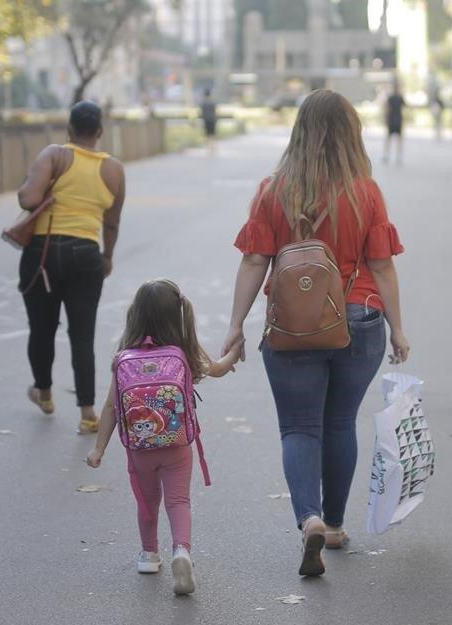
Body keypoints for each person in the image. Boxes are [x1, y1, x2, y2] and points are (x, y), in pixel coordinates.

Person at [221, 89, 410, 577]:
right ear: (351, 132)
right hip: (360, 316)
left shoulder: (273, 190)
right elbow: (383, 267)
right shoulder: (365, 191)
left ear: (298, 130)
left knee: (299, 427)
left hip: (292, 326)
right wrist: (398, 329)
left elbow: (253, 260)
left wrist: (236, 325)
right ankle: (336, 523)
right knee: (340, 421)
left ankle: (309, 518)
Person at [86, 279, 238, 595]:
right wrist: (235, 350)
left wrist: (99, 448)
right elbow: (220, 368)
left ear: (135, 316)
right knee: (178, 500)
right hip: (178, 444)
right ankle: (181, 550)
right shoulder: (183, 350)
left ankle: (148, 554)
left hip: (140, 451)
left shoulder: (123, 358)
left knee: (147, 501)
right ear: (178, 314)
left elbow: (112, 408)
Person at [17, 101, 126, 434]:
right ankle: (88, 412)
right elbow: (111, 221)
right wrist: (107, 256)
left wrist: (33, 183)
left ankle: (45, 393)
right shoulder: (113, 169)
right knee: (83, 335)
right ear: (99, 133)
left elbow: (27, 200)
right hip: (86, 254)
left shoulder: (54, 154)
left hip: (44, 253)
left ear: (69, 129)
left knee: (42, 326)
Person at [383, 84, 406, 165]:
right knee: (395, 139)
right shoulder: (398, 98)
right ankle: (394, 156)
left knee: (391, 139)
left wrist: (386, 119)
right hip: (396, 120)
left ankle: (390, 155)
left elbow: (387, 109)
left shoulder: (393, 98)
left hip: (394, 120)